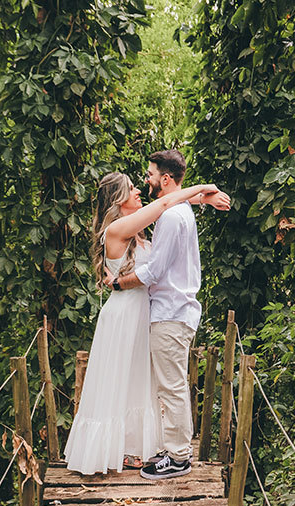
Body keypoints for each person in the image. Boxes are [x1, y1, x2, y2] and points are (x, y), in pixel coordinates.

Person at [63, 171, 228, 475]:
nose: (139, 190)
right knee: (118, 380)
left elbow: (167, 202)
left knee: (136, 381)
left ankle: (130, 448)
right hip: (124, 313)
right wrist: (204, 187)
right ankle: (112, 449)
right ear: (117, 200)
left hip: (142, 311)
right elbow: (165, 204)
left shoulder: (136, 232)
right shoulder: (117, 228)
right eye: (131, 189)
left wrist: (203, 200)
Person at [107, 150, 211, 480]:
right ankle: (172, 451)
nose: (146, 181)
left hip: (170, 313)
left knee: (172, 388)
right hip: (172, 312)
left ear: (165, 179)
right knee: (169, 386)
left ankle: (179, 458)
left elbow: (154, 271)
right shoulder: (178, 211)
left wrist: (119, 283)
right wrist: (204, 196)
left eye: (151, 174)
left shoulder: (171, 217)